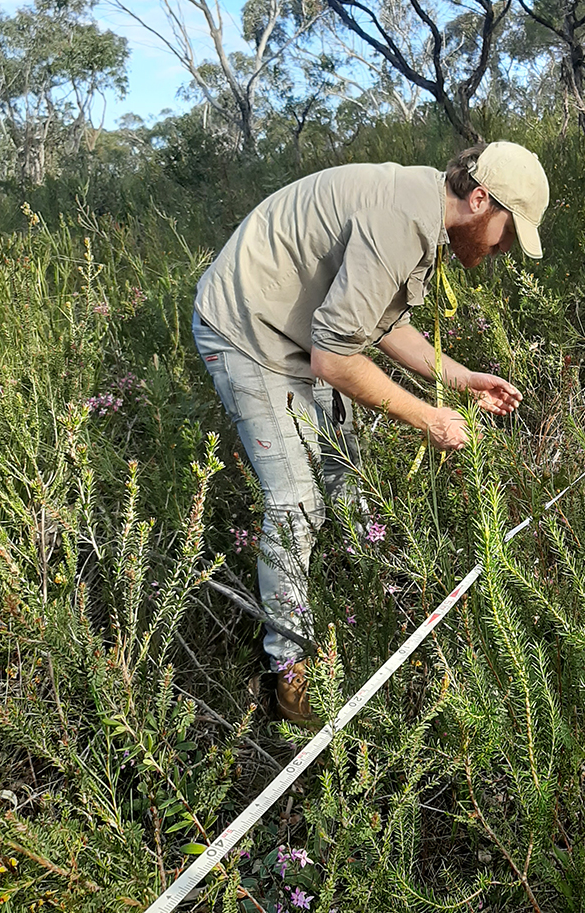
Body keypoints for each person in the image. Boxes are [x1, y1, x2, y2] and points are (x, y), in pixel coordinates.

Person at [192, 140, 549, 724]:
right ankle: (289, 672)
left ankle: (370, 595)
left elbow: (383, 325)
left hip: (310, 331)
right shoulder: (400, 218)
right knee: (297, 500)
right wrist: (428, 417)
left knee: (345, 474)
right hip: (247, 329)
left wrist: (461, 379)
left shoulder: (425, 213)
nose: (505, 249)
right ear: (480, 199)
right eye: (507, 233)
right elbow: (335, 361)